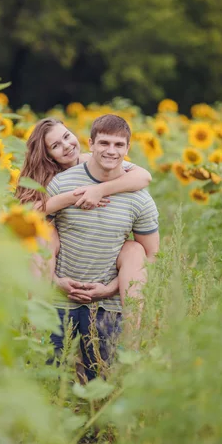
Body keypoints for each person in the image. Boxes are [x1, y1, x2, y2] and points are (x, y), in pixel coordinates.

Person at [45, 114, 159, 380]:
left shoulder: (139, 199)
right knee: (55, 381)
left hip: (107, 304)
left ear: (128, 149)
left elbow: (152, 255)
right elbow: (33, 235)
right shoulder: (61, 185)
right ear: (91, 144)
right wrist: (54, 281)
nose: (111, 151)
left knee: (105, 383)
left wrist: (110, 288)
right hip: (60, 299)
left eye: (119, 145)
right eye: (104, 143)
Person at [15, 117, 152, 307]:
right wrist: (71, 197)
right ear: (47, 155)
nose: (66, 146)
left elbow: (144, 177)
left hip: (95, 253)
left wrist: (100, 190)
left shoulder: (95, 159)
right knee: (47, 233)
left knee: (133, 250)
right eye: (55, 145)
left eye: (66, 136)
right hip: (52, 254)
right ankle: (37, 323)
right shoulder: (47, 179)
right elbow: (25, 216)